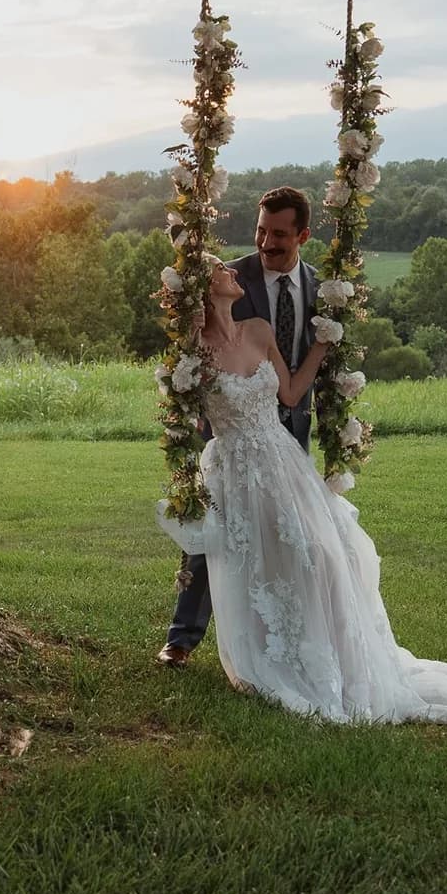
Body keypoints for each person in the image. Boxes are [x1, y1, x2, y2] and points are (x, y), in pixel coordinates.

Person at [155, 254, 447, 725]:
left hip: (285, 462)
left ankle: (332, 655)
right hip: (236, 470)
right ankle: (276, 657)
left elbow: (290, 395)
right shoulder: (193, 352)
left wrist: (322, 345)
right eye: (219, 270)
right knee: (262, 563)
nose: (232, 272)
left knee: (323, 554)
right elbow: (185, 413)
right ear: (203, 290)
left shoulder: (258, 331)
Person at [158, 186, 319, 668]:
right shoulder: (233, 277)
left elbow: (295, 381)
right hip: (232, 436)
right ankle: (184, 636)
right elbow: (193, 365)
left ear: (302, 236)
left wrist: (330, 343)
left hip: (288, 434)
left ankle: (292, 636)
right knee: (217, 537)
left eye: (280, 235)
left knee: (293, 539)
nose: (267, 243)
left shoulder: (320, 286)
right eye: (261, 231)